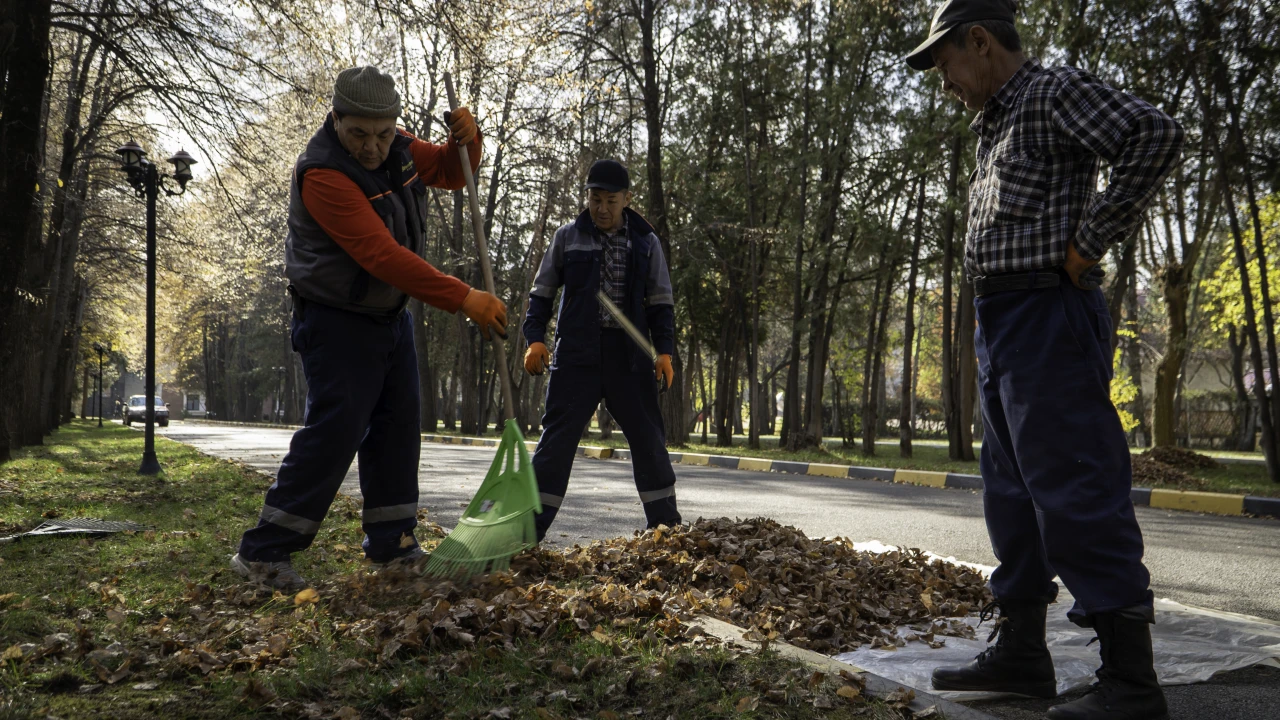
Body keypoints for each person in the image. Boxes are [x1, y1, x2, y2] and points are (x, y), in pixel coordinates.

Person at [904, 2, 1183, 719]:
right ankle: (1024, 652)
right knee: (1011, 493)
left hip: (1048, 313)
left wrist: (1090, 242)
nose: (945, 82)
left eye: (945, 64)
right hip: (998, 322)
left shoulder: (1052, 92)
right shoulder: (993, 125)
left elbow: (1153, 134)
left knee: (1073, 485)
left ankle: (1130, 680)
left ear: (980, 41)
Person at [232, 66, 507, 590]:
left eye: (383, 133)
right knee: (337, 430)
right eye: (358, 133)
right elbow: (380, 254)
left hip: (388, 316)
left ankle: (394, 546)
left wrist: (470, 141)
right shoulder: (323, 174)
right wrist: (463, 296)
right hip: (336, 320)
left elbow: (453, 172)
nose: (372, 147)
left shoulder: (399, 147)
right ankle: (263, 552)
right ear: (336, 118)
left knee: (398, 428)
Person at [522, 159, 681, 542]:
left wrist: (664, 351)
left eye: (611, 200)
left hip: (629, 359)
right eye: (595, 199)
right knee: (556, 444)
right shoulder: (567, 238)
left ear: (627, 199)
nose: (603, 209)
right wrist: (536, 339)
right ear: (587, 197)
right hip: (576, 356)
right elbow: (541, 293)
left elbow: (661, 301)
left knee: (648, 441)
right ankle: (525, 533)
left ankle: (667, 532)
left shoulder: (646, 242)